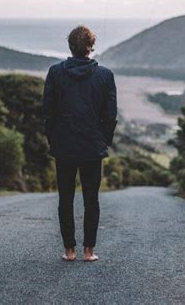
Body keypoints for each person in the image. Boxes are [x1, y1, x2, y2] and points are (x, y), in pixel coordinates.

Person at [42, 25, 117, 262]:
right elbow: (111, 115)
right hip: (92, 147)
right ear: (90, 47)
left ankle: (69, 251)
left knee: (65, 199)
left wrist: (54, 140)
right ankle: (89, 252)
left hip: (64, 146)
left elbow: (48, 113)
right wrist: (102, 141)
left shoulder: (55, 73)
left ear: (70, 47)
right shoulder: (106, 76)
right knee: (91, 200)